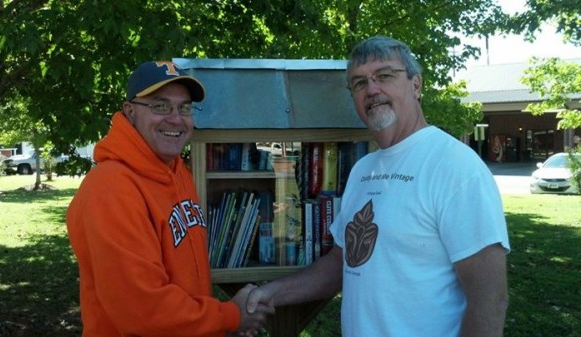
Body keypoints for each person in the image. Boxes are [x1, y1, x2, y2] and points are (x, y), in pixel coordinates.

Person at [247, 36, 510, 337]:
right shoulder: (364, 169)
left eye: (384, 76)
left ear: (416, 85)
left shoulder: (455, 167)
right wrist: (271, 293)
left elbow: (489, 300)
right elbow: (342, 263)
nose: (371, 89)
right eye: (359, 83)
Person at [66, 61, 272, 337]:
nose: (175, 118)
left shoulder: (178, 171)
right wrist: (229, 316)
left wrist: (217, 324)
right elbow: (142, 310)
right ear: (129, 112)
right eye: (160, 106)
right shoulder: (110, 187)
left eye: (184, 107)